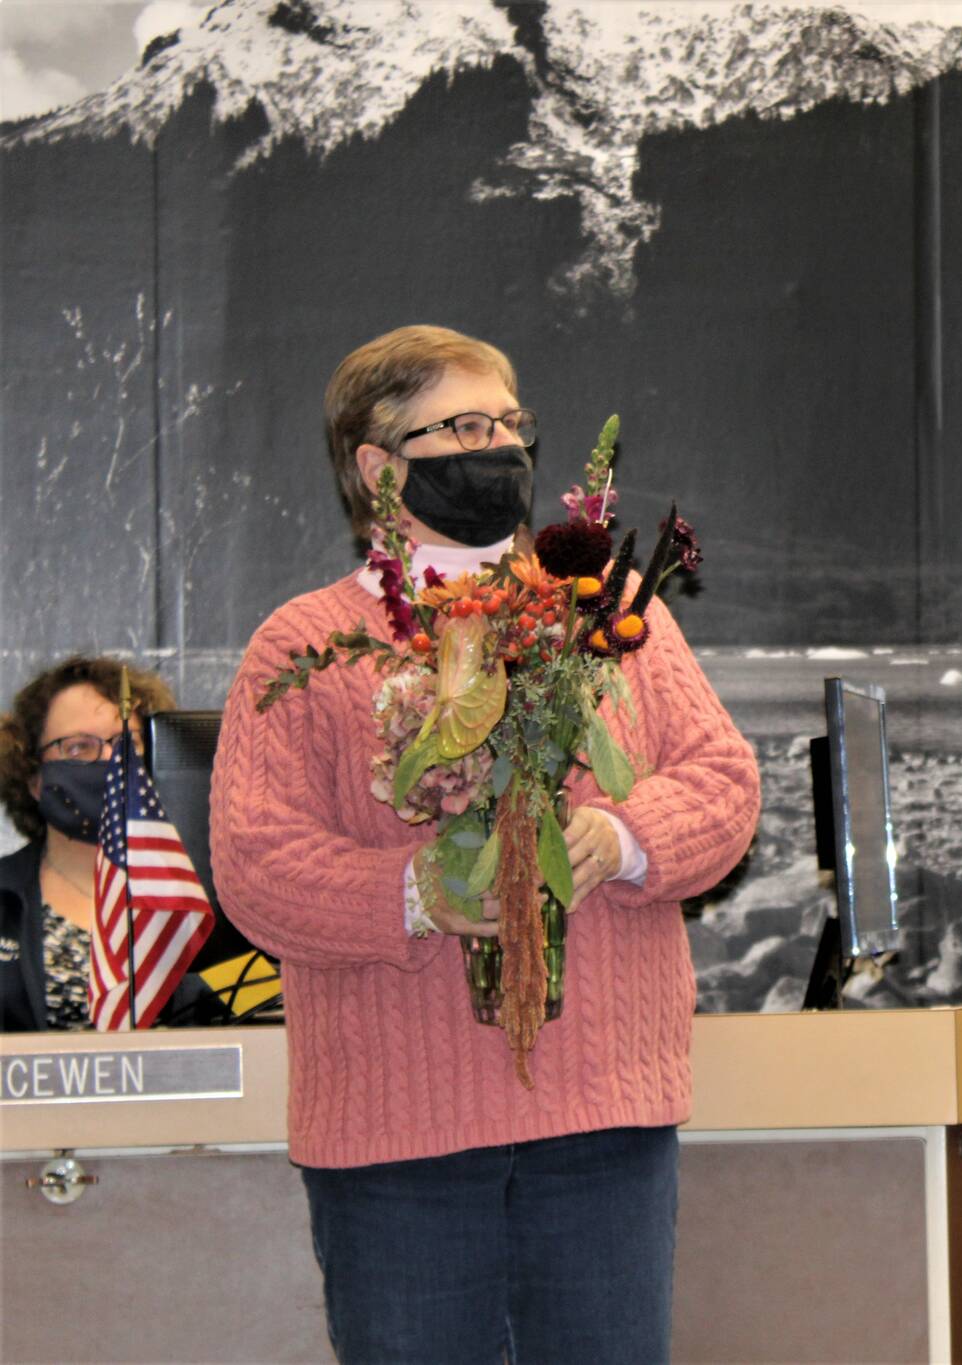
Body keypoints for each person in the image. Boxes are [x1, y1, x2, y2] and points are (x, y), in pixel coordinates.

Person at [211, 325, 760, 1363]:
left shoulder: (610, 616)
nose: (498, 443)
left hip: (603, 1128)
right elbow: (256, 867)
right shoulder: (303, 646)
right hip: (397, 1149)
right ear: (377, 466)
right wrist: (418, 893)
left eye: (511, 421)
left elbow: (724, 785)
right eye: (463, 424)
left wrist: (623, 837)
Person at [0, 657, 192, 1031]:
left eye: (126, 743)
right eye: (78, 748)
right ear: (33, 778)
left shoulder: (198, 897)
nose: (110, 760)